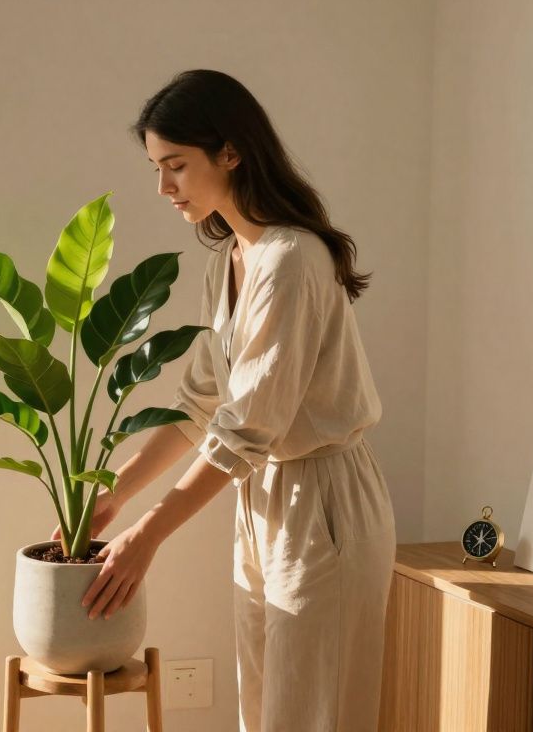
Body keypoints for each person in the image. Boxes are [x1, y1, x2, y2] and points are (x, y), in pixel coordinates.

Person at [71, 69, 397, 731]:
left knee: (312, 716)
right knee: (263, 712)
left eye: (176, 167)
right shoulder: (229, 260)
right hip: (261, 503)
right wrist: (117, 492)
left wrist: (148, 535)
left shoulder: (292, 260)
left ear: (231, 151)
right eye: (156, 168)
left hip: (323, 504)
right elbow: (199, 404)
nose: (163, 188)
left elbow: (247, 427)